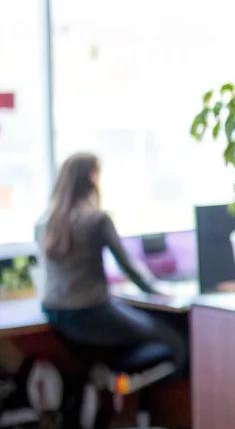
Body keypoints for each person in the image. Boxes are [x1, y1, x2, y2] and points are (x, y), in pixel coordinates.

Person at [36, 153, 188, 376]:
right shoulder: (97, 219)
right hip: (91, 312)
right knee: (174, 338)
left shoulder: (43, 222)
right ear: (92, 177)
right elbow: (128, 267)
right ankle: (171, 409)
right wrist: (159, 292)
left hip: (55, 313)